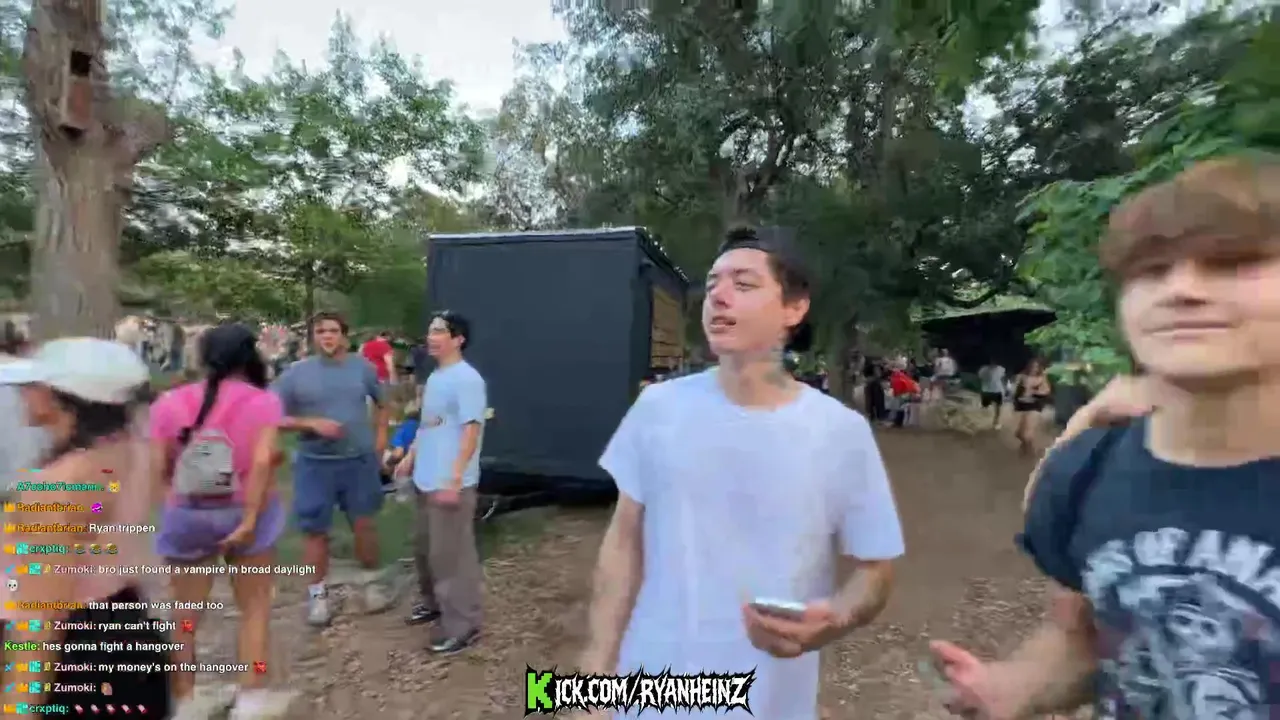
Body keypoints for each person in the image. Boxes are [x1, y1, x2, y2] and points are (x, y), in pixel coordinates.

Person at [930, 154, 1280, 719]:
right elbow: (1087, 641)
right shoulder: (1087, 469)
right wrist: (1009, 689)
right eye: (1151, 271)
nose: (1180, 288)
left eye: (1234, 262)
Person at [580, 226, 903, 718]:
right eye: (712, 284)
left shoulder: (840, 432)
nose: (718, 296)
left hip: (770, 699)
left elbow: (876, 569)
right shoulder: (657, 408)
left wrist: (836, 617)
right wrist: (593, 676)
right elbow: (624, 541)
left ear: (794, 308)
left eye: (744, 284)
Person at [0, 338, 171, 718]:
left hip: (73, 661)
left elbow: (41, 618)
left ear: (62, 398)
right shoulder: (136, 451)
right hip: (130, 634)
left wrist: (17, 708)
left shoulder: (52, 488)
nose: (24, 394)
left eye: (33, 385)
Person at [149, 323, 288, 718]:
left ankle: (185, 699)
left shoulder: (169, 402)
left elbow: (158, 466)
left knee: (185, 615)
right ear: (249, 356)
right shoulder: (264, 402)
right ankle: (252, 696)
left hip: (188, 514)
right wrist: (249, 520)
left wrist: (174, 502)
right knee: (255, 609)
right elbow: (262, 461)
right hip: (247, 512)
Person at [273, 311, 392, 626]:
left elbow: (383, 403)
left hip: (358, 461)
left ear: (344, 335)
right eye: (321, 331)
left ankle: (371, 584)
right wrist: (310, 423)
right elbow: (271, 416)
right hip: (315, 464)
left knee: (364, 524)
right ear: (314, 337)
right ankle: (318, 598)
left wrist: (381, 439)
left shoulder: (363, 368)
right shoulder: (296, 373)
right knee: (315, 532)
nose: (327, 336)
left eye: (333, 330)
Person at [395, 311, 487, 654]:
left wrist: (455, 477)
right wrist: (410, 456)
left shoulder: (467, 379)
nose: (431, 337)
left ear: (458, 339)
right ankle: (434, 604)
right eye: (430, 330)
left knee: (451, 557)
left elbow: (472, 431)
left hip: (451, 482)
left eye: (439, 331)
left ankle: (464, 626)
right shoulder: (436, 376)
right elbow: (428, 423)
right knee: (425, 549)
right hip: (426, 478)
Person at [1011, 358, 1052, 455]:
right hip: (1021, 404)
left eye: (1037, 367)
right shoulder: (1021, 376)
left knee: (1028, 433)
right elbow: (1013, 390)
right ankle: (1025, 445)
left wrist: (1034, 391)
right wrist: (1019, 390)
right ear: (1028, 366)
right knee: (1019, 433)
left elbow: (1046, 391)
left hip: (1034, 404)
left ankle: (1030, 451)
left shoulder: (1042, 378)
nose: (1034, 369)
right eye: (1033, 366)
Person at [382, 403, 421, 494]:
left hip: (406, 470)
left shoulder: (403, 429)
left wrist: (388, 465)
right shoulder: (424, 428)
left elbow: (398, 453)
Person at [977, 359, 1007, 429]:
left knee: (998, 407)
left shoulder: (1001, 369)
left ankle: (996, 422)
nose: (994, 362)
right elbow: (979, 378)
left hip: (996, 390)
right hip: (987, 390)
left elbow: (1002, 379)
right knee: (986, 407)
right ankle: (987, 420)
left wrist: (1003, 389)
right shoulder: (984, 369)